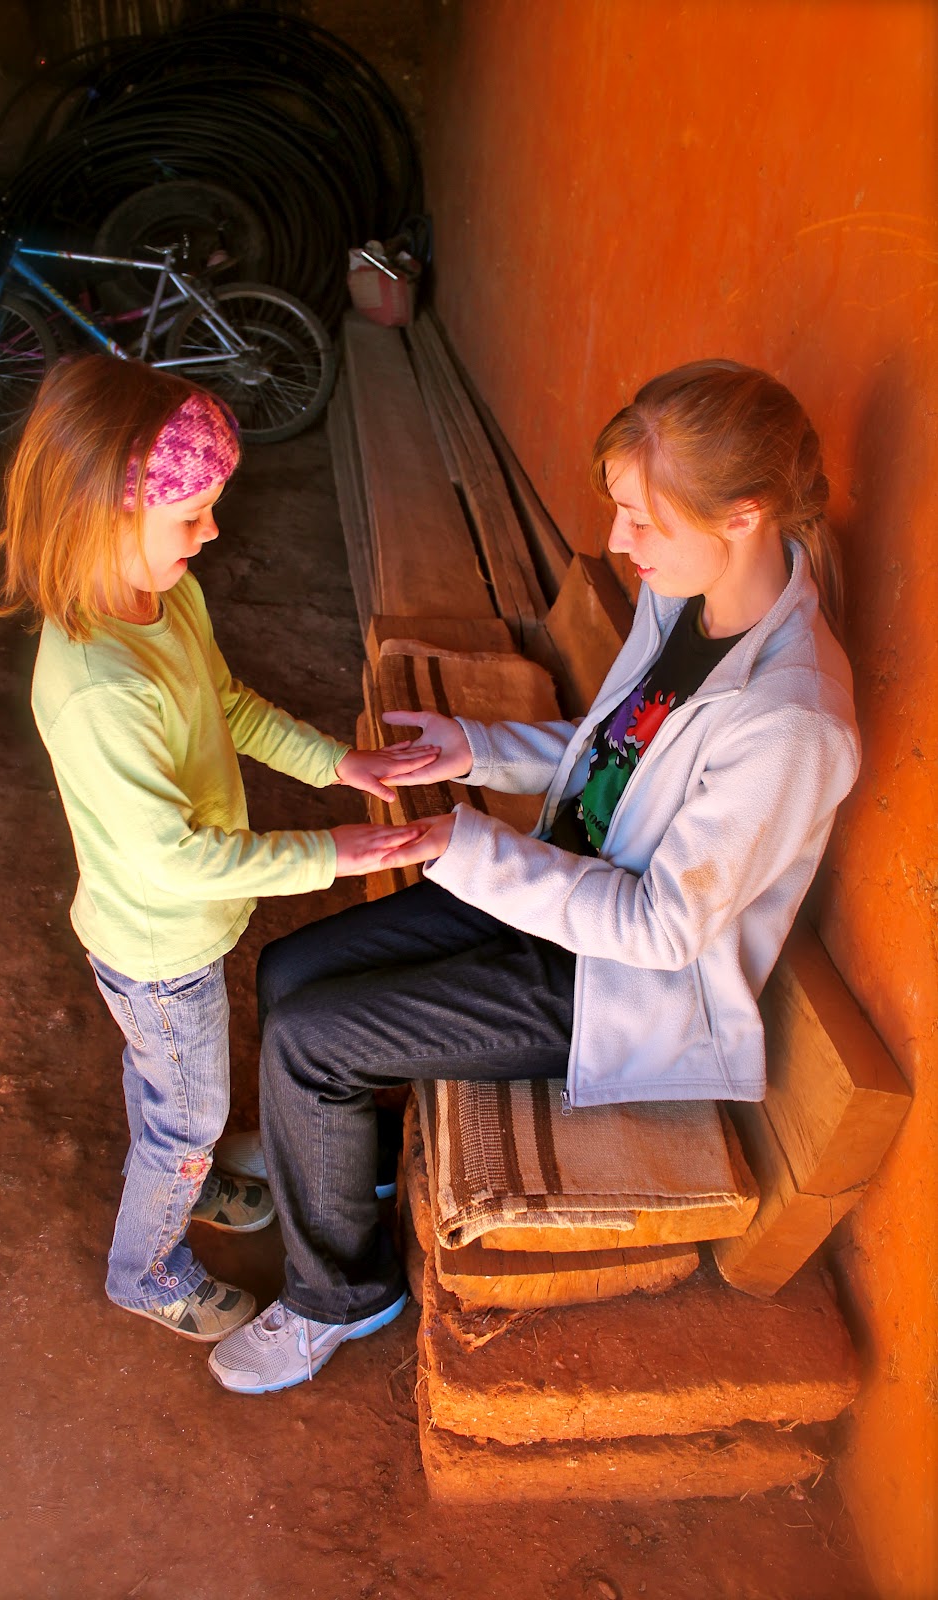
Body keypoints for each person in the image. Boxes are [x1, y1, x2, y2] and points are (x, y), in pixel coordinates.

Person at [206, 358, 862, 1394]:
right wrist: (472, 749)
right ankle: (342, 1163)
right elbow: (615, 754)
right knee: (288, 974)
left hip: (616, 985)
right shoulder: (689, 600)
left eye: (640, 518)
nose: (619, 542)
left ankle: (340, 1294)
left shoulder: (790, 720)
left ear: (741, 517)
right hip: (555, 890)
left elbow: (659, 930)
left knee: (308, 1040)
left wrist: (463, 846)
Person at [0, 355, 434, 1343]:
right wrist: (334, 852)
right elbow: (175, 860)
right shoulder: (101, 689)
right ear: (104, 517)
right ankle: (147, 1271)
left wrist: (336, 763)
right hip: (159, 947)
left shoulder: (164, 597)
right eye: (190, 516)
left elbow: (226, 704)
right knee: (184, 1119)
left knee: (172, 1088)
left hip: (175, 934)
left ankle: (187, 1168)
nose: (212, 532)